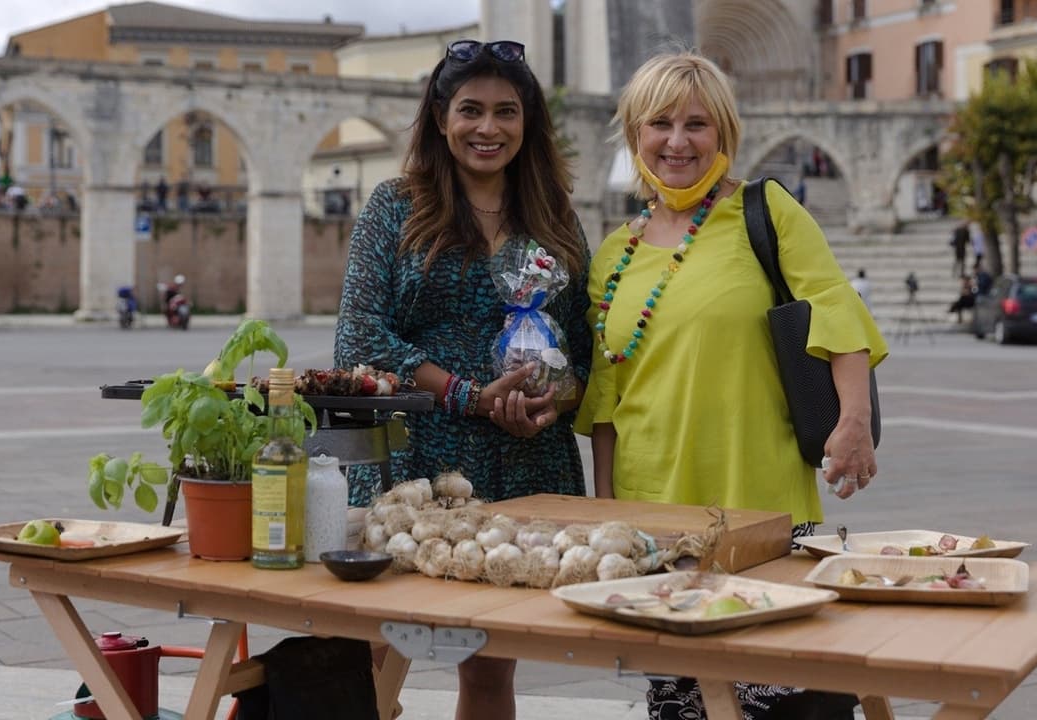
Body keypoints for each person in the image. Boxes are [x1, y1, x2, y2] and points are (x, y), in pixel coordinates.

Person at [576, 50, 887, 720]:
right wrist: (608, 517)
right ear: (635, 135)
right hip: (657, 520)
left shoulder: (765, 211)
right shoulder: (613, 252)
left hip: (761, 509)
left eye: (698, 124)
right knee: (685, 701)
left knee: (787, 698)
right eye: (660, 123)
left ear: (724, 133)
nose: (678, 141)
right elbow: (606, 400)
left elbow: (837, 314)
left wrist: (854, 421)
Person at [333, 39, 590, 720]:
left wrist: (549, 402)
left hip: (522, 460)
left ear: (528, 123)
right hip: (413, 464)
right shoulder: (396, 205)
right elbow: (359, 337)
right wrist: (468, 396)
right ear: (441, 116)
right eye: (471, 110)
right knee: (371, 661)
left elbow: (586, 348)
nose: (489, 128)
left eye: (507, 112)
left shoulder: (554, 216)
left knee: (487, 670)